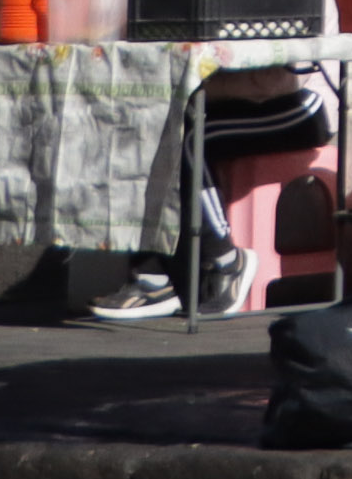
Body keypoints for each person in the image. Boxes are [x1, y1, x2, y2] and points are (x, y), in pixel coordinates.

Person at [91, 67, 337, 320]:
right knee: (146, 129)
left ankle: (227, 261)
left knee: (186, 139)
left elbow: (276, 83)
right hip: (226, 102)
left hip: (298, 104)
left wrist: (181, 87)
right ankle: (155, 275)